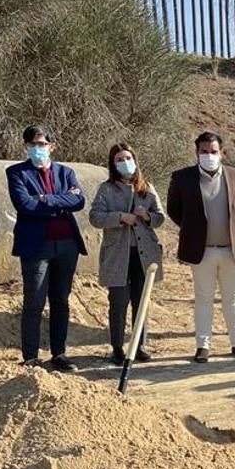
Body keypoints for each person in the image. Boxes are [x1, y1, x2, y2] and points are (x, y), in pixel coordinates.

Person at [166, 132, 235, 363]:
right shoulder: (182, 178)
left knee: (233, 297)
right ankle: (202, 345)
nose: (209, 156)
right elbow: (174, 210)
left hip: (231, 250)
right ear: (196, 152)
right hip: (202, 251)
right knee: (203, 298)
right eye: (204, 152)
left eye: (213, 152)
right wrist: (194, 231)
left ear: (221, 152)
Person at [6, 125, 86, 372]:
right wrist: (61, 201)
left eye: (42, 144)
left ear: (52, 146)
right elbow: (25, 204)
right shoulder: (16, 173)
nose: (37, 149)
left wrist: (46, 198)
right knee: (34, 301)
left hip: (67, 245)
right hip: (36, 246)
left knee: (60, 301)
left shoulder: (66, 172)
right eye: (32, 144)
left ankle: (59, 353)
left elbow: (79, 201)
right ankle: (30, 357)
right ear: (26, 147)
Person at [89, 143, 166, 365]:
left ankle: (139, 345)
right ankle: (117, 348)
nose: (125, 163)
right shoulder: (106, 189)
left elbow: (160, 218)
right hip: (118, 254)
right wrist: (120, 217)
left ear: (135, 160)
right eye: (119, 159)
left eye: (128, 158)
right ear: (113, 164)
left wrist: (147, 216)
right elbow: (95, 217)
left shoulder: (147, 187)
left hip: (144, 255)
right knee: (118, 301)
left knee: (142, 301)